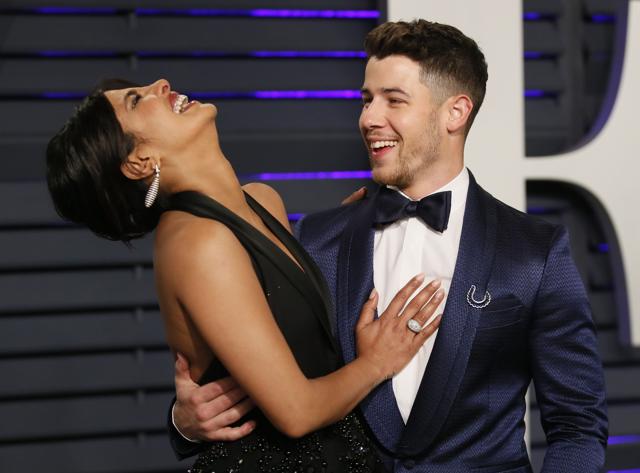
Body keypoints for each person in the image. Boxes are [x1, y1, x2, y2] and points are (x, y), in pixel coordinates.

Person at [170, 20, 608, 472]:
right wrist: (184, 422)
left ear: (455, 113)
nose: (368, 118)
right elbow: (270, 386)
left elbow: (577, 425)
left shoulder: (535, 251)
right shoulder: (318, 240)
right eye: (366, 99)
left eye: (393, 100)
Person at [45, 77, 447, 472]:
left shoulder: (262, 200)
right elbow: (296, 411)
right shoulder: (196, 243)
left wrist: (348, 232)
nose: (161, 84)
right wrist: (378, 362)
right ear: (139, 162)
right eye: (137, 100)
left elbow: (300, 329)